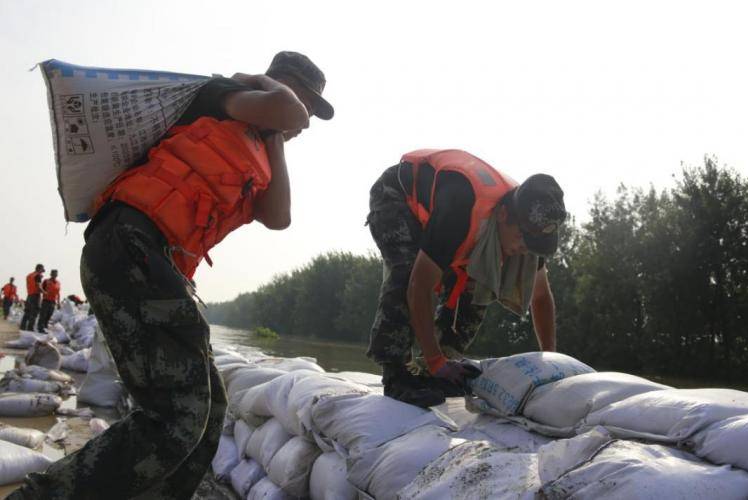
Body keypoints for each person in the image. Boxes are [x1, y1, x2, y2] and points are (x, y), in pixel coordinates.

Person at [11, 51, 333, 500]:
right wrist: (267, 87)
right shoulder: (226, 95)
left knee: (207, 414)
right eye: (308, 106)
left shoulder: (263, 140)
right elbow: (285, 110)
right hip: (130, 246)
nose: (307, 122)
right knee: (174, 417)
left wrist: (276, 138)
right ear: (281, 85)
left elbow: (278, 216)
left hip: (157, 266)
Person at [366, 149, 567, 407]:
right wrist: (434, 360)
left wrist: (551, 361)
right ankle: (396, 375)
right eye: (522, 239)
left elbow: (540, 296)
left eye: (534, 244)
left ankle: (436, 367)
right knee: (406, 271)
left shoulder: (530, 228)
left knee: (478, 286)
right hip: (398, 196)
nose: (524, 249)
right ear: (504, 215)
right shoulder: (461, 207)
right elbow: (419, 286)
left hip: (442, 224)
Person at [19, 264, 45, 331]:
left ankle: (22, 327)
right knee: (34, 313)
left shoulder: (29, 275)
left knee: (27, 312)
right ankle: (30, 328)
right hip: (35, 296)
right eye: (42, 269)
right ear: (39, 268)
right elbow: (39, 287)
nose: (43, 271)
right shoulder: (37, 275)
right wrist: (45, 292)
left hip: (29, 295)